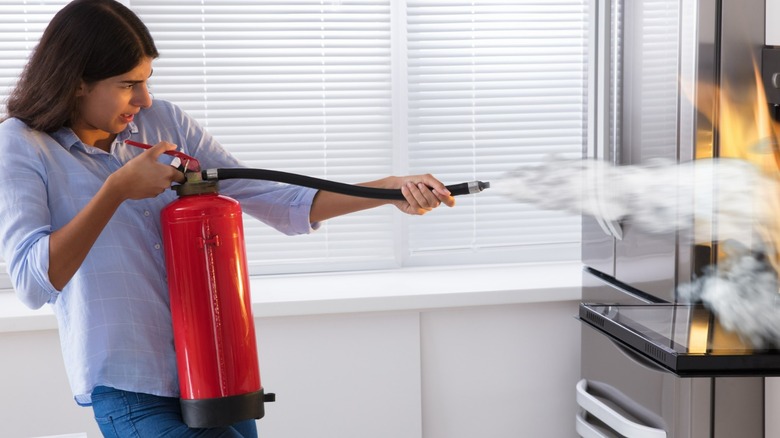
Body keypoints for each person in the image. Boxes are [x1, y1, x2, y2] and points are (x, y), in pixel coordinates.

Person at [0, 1, 455, 436]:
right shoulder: (22, 145)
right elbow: (33, 282)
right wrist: (116, 190)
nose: (144, 97)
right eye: (126, 83)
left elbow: (271, 198)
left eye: (146, 79)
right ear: (78, 80)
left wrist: (388, 190)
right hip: (130, 383)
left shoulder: (163, 122)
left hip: (216, 370)